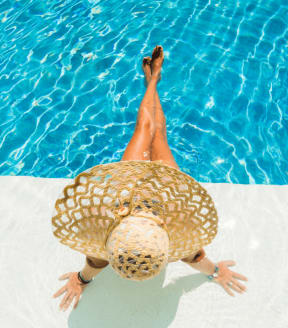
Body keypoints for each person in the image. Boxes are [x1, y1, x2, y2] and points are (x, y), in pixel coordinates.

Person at [52, 45, 248, 312]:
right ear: (167, 233)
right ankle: (153, 79)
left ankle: (153, 79)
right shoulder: (160, 242)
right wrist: (216, 272)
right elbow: (199, 259)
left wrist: (81, 280)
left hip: (129, 186)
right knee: (158, 135)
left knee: (146, 128)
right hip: (166, 191)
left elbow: (92, 268)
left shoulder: (107, 249)